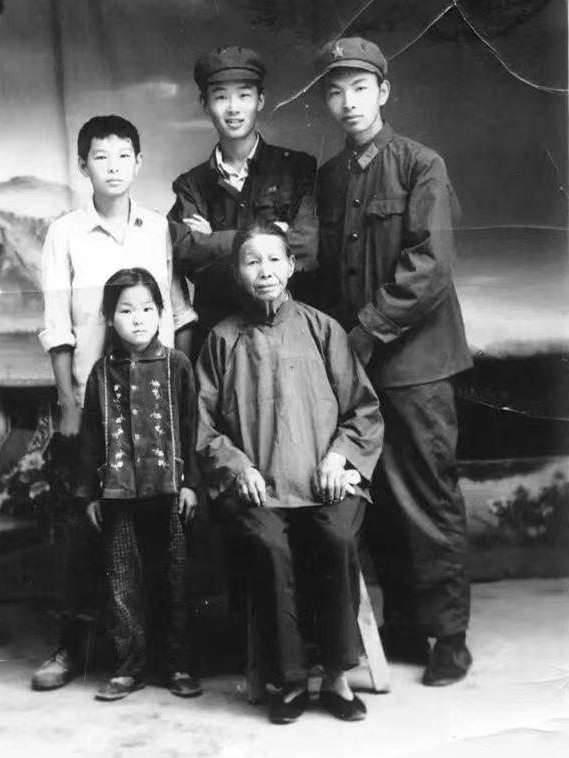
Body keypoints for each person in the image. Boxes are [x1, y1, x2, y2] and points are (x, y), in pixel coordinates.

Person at [314, 37, 473, 686]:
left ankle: (450, 638)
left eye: (360, 88)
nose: (348, 102)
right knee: (373, 502)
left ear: (383, 91)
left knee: (427, 498)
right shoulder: (330, 178)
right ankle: (404, 624)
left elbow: (430, 266)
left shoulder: (420, 164)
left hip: (417, 368)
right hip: (358, 372)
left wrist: (368, 331)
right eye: (335, 91)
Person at [32, 115, 197, 691]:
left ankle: (165, 654)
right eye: (100, 157)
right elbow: (57, 325)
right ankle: (68, 647)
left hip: (152, 402)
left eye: (124, 155)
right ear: (83, 166)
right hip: (93, 401)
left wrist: (174, 391)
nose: (113, 167)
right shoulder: (65, 233)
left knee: (160, 533)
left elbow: (175, 313)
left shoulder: (158, 229)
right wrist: (68, 402)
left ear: (139, 162)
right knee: (83, 525)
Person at [196, 223, 383, 723]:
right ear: (237, 272)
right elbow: (204, 426)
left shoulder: (323, 330)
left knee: (337, 538)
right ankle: (292, 679)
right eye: (251, 261)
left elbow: (363, 409)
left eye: (274, 259)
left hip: (325, 483)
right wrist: (237, 466)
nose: (265, 271)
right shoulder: (222, 339)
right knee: (270, 547)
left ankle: (337, 677)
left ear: (292, 266)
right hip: (258, 489)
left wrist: (340, 458)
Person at [75, 267, 201, 701]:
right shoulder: (101, 373)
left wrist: (191, 483)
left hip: (170, 489)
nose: (138, 319)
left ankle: (179, 663)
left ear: (161, 313)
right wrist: (89, 494)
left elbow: (192, 426)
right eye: (126, 311)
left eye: (148, 309)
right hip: (118, 492)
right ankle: (129, 667)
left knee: (176, 576)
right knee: (122, 580)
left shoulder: (177, 365)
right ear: (110, 319)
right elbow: (90, 437)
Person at [168, 46, 318, 356]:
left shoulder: (297, 169)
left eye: (244, 95)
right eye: (221, 96)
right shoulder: (191, 185)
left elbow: (306, 249)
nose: (233, 108)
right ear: (205, 104)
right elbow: (183, 250)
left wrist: (213, 239)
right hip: (216, 343)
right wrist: (270, 237)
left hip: (286, 339)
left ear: (260, 100)